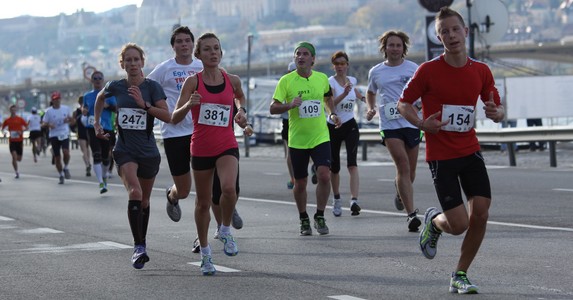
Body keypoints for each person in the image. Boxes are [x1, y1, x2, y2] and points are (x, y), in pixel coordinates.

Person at [397, 7, 505, 294]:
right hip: (441, 155)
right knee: (458, 225)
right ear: (438, 37)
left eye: (455, 29)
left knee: (480, 213)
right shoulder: (428, 71)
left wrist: (497, 112)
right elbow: (403, 104)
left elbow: (497, 108)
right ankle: (435, 223)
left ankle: (460, 273)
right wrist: (421, 123)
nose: (451, 35)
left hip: (470, 150)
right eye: (444, 31)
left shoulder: (481, 71)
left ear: (466, 32)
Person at [172, 32, 248, 275]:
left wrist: (241, 111)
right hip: (201, 147)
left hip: (227, 143)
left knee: (228, 189)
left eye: (216, 48)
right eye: (207, 50)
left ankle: (225, 230)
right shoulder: (193, 82)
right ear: (199, 55)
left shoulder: (232, 79)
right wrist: (189, 104)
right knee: (203, 203)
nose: (213, 53)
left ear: (221, 52)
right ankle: (205, 253)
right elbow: (175, 117)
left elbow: (239, 97)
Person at [93, 43, 170, 269]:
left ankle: (142, 242)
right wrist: (97, 124)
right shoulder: (115, 86)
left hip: (148, 152)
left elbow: (167, 116)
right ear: (122, 64)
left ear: (143, 63)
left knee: (144, 200)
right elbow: (99, 98)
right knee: (134, 192)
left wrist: (143, 105)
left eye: (137, 59)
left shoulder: (153, 88)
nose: (133, 64)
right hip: (124, 150)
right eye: (129, 60)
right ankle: (138, 248)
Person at [270, 41, 341, 236]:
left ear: (313, 59)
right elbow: (273, 108)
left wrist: (332, 113)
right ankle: (303, 218)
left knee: (325, 175)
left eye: (304, 54)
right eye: (297, 54)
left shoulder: (321, 79)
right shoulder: (286, 81)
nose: (300, 57)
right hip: (298, 140)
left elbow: (327, 98)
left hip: (320, 136)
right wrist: (289, 105)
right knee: (300, 183)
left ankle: (319, 215)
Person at [365, 30, 422, 232]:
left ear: (403, 48)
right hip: (390, 124)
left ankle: (400, 192)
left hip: (412, 122)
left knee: (411, 172)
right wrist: (371, 108)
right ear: (385, 48)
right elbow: (371, 92)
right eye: (391, 45)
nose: (395, 49)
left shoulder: (413, 68)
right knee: (403, 166)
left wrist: (421, 106)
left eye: (398, 45)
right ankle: (411, 215)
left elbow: (423, 91)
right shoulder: (376, 71)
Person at [327, 51, 365, 217]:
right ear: (333, 66)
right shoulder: (330, 83)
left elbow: (354, 91)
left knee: (352, 163)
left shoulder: (352, 81)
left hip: (350, 124)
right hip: (334, 125)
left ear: (347, 65)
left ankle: (354, 200)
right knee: (334, 167)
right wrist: (343, 93)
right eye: (337, 64)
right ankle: (336, 199)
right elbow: (330, 103)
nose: (340, 66)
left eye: (343, 63)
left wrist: (364, 98)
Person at [83, 71, 117, 194]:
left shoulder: (109, 94)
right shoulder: (87, 96)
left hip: (107, 127)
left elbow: (117, 109)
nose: (97, 80)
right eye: (95, 78)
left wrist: (108, 106)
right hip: (92, 127)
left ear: (103, 80)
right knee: (96, 154)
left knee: (106, 157)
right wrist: (84, 111)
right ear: (92, 81)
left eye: (99, 78)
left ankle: (104, 177)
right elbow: (85, 108)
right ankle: (100, 183)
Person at [41, 92, 75, 184]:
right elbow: (43, 123)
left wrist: (69, 120)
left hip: (64, 134)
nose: (57, 100)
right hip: (54, 135)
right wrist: (49, 124)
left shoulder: (66, 109)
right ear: (52, 100)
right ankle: (61, 174)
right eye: (55, 99)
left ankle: (66, 167)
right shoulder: (48, 111)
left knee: (66, 152)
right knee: (57, 157)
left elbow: (72, 121)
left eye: (58, 98)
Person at [2, 105, 28, 178]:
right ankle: (16, 172)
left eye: (14, 110)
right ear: (10, 111)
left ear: (16, 111)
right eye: (12, 110)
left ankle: (16, 160)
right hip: (12, 141)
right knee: (14, 156)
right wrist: (4, 133)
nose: (13, 111)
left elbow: (26, 127)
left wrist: (21, 131)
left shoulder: (20, 119)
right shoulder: (7, 120)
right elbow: (3, 129)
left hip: (19, 141)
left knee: (19, 159)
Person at [282, 61, 296, 190]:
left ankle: (293, 179)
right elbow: (276, 105)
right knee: (291, 152)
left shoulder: (286, 83)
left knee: (290, 153)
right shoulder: (285, 84)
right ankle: (293, 178)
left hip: (295, 121)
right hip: (289, 121)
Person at [72, 96, 92, 176]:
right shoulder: (88, 110)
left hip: (80, 132)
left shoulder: (76, 112)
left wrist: (73, 129)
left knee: (84, 150)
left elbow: (73, 123)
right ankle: (88, 163)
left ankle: (87, 164)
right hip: (88, 131)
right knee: (87, 149)